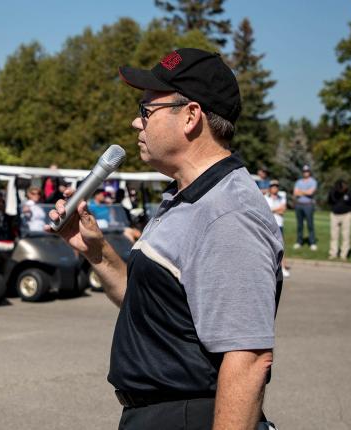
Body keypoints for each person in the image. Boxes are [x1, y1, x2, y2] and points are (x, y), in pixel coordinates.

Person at [48, 48, 282, 429]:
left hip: (188, 415)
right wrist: (96, 251)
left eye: (146, 111)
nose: (135, 123)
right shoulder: (186, 196)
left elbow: (249, 358)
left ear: (191, 116)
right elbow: (154, 308)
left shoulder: (228, 213)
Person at [265, 180, 290, 277]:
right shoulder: (265, 198)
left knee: (281, 246)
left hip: (279, 224)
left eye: (276, 186)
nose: (275, 188)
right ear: (270, 188)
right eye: (273, 186)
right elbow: (266, 210)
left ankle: (282, 268)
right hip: (269, 224)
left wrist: (272, 210)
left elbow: (283, 210)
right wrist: (276, 209)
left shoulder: (281, 198)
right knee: (268, 246)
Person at [327, 180, 351, 260]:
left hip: (346, 215)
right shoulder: (332, 192)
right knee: (334, 236)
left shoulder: (350, 193)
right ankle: (333, 253)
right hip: (334, 215)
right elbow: (329, 201)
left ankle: (344, 254)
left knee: (345, 235)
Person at [293, 165, 318, 250]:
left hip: (308, 205)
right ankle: (299, 242)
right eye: (304, 171)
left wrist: (301, 192)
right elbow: (295, 193)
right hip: (299, 204)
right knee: (299, 225)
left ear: (309, 172)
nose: (305, 172)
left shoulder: (313, 181)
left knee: (310, 224)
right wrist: (305, 192)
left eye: (307, 171)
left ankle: (312, 242)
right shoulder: (298, 182)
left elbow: (311, 193)